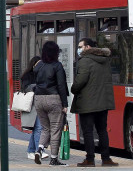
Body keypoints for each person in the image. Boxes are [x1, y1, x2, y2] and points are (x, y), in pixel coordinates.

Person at [70, 38, 119, 167]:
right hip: (103, 102)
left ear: (88, 47)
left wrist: (73, 89)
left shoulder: (85, 61)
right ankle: (106, 158)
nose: (79, 49)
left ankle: (90, 159)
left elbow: (81, 80)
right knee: (102, 130)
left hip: (87, 103)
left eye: (81, 46)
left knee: (88, 131)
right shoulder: (105, 60)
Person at [33, 40, 70, 166]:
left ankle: (39, 150)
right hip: (53, 99)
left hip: (38, 99)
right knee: (55, 129)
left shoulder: (38, 65)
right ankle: (53, 159)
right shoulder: (57, 65)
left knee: (45, 128)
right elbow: (61, 85)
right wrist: (65, 104)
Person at [21, 56, 48, 161]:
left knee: (37, 128)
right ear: (34, 64)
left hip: (41, 103)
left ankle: (30, 151)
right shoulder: (27, 75)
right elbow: (26, 87)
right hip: (32, 105)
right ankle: (39, 151)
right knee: (39, 128)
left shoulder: (44, 74)